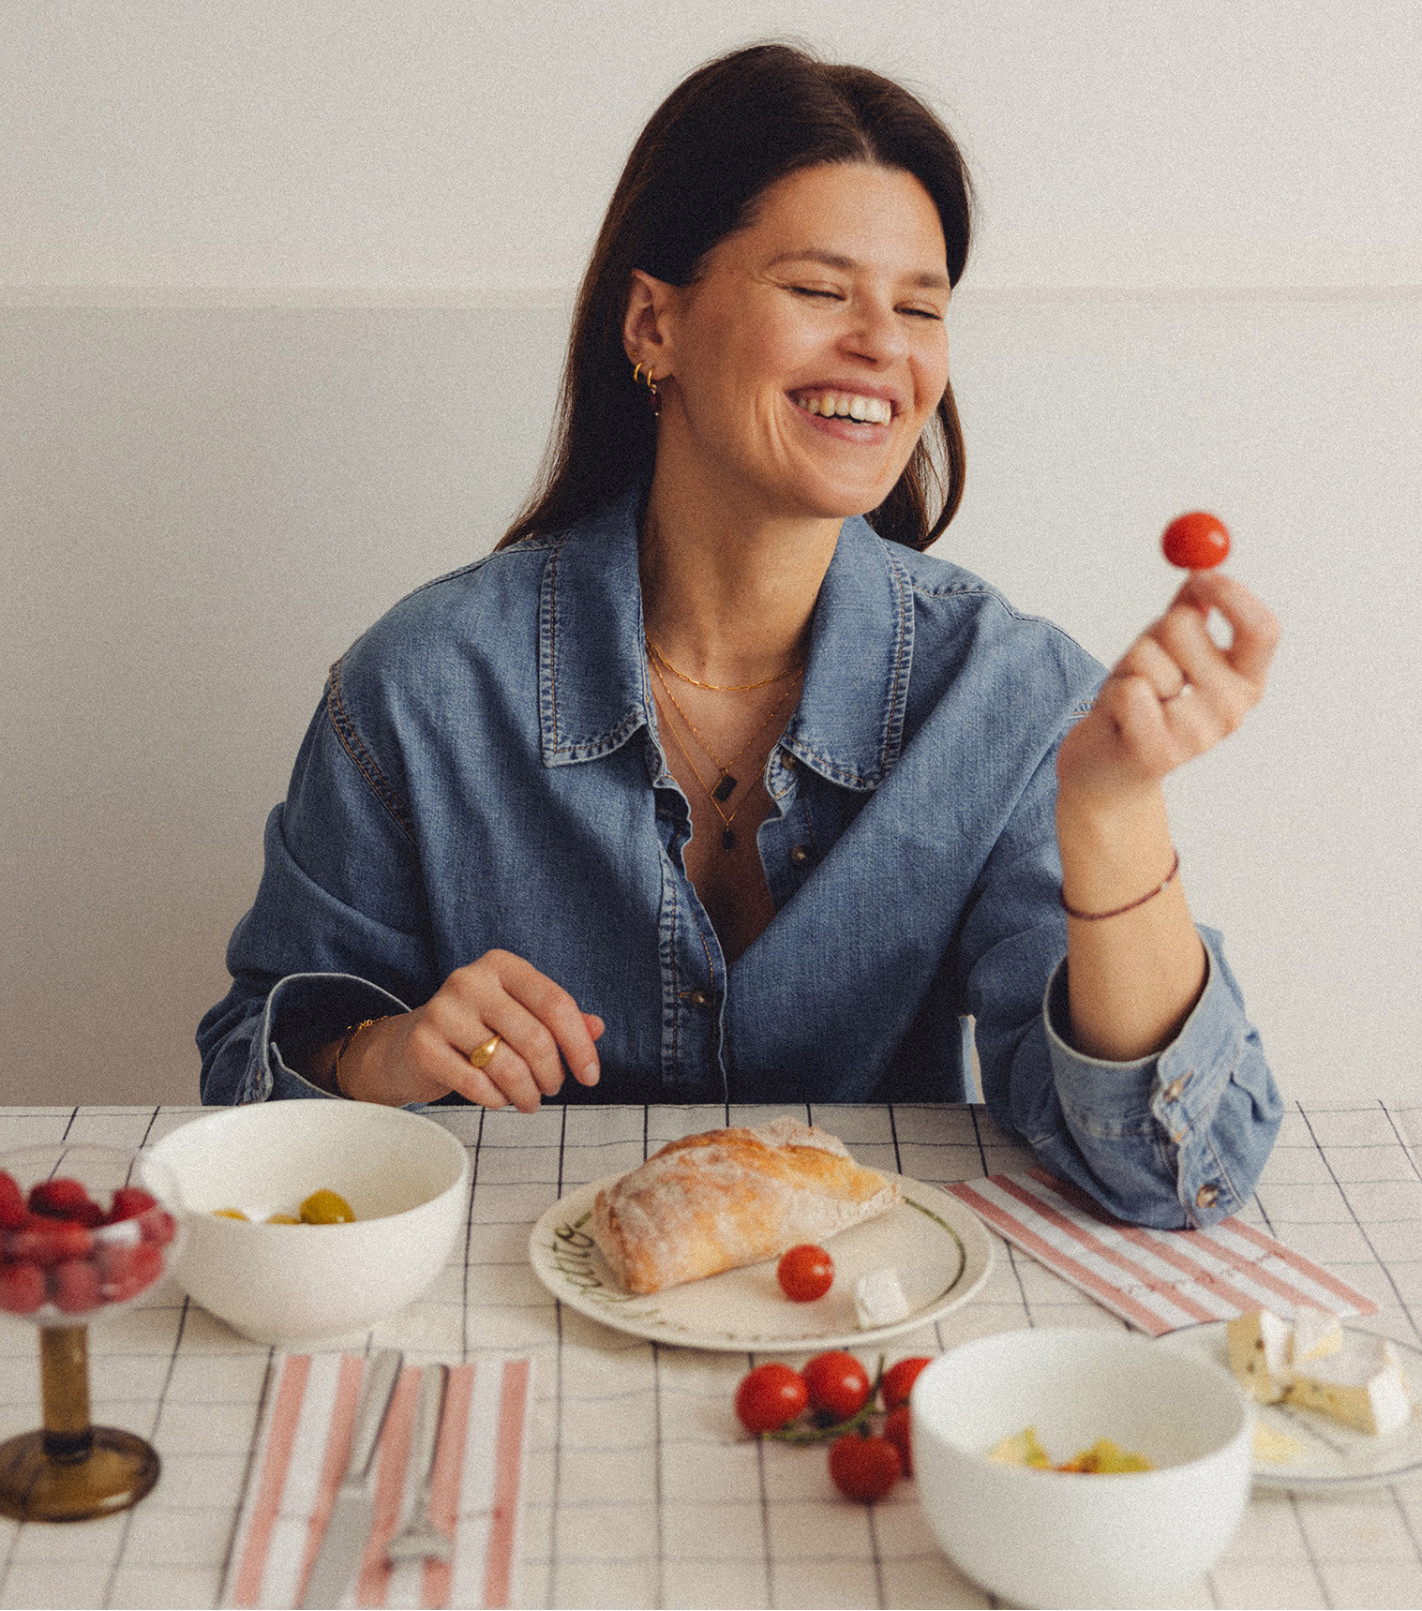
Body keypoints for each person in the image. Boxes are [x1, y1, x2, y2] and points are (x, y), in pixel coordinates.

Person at [199, 43, 1282, 1228]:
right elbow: (252, 1075)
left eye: (920, 307)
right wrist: (389, 1052)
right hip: (514, 1293)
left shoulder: (1011, 696)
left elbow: (1172, 1173)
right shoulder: (421, 689)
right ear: (653, 324)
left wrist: (1114, 810)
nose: (885, 345)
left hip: (867, 1310)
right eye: (821, 290)